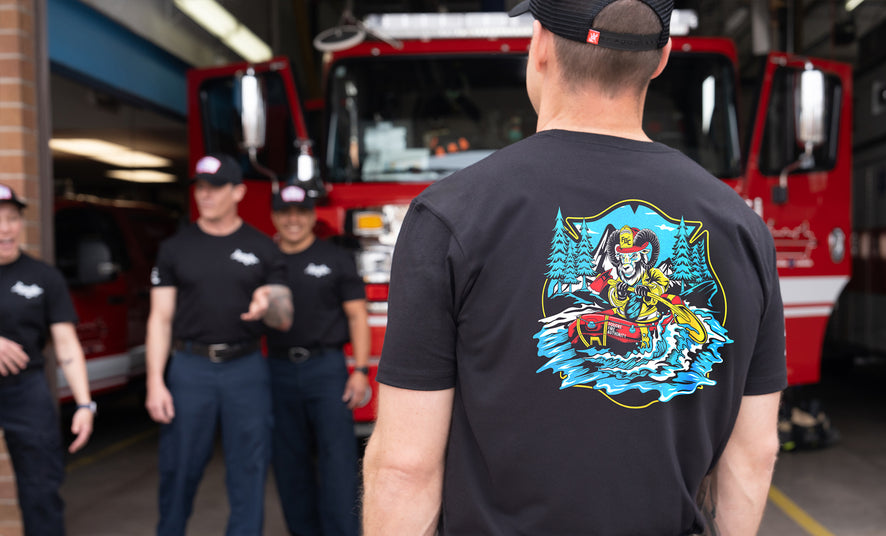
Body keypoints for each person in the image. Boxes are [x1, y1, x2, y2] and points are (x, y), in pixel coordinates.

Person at [362, 0, 786, 534]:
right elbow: (752, 454)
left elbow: (407, 464)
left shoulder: (450, 216)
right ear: (661, 59)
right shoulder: (742, 228)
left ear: (537, 45)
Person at [145, 154, 293, 536]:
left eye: (215, 187)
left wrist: (268, 303)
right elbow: (160, 318)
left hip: (245, 368)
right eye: (200, 187)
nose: (205, 195)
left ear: (239, 192)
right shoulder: (175, 249)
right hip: (189, 367)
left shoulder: (262, 247)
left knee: (249, 469)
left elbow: (284, 317)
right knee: (180, 467)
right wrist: (154, 382)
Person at [266, 184, 371, 535]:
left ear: (312, 216)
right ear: (274, 217)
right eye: (285, 213)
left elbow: (358, 315)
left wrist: (359, 370)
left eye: (300, 213)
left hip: (326, 370)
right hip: (276, 370)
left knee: (337, 461)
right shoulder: (265, 259)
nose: (293, 220)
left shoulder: (335, 259)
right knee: (288, 462)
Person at [0, 183, 94, 536]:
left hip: (26, 391)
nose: (5, 229)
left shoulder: (43, 277)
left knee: (41, 490)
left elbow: (66, 343)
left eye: (11, 219)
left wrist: (85, 404)